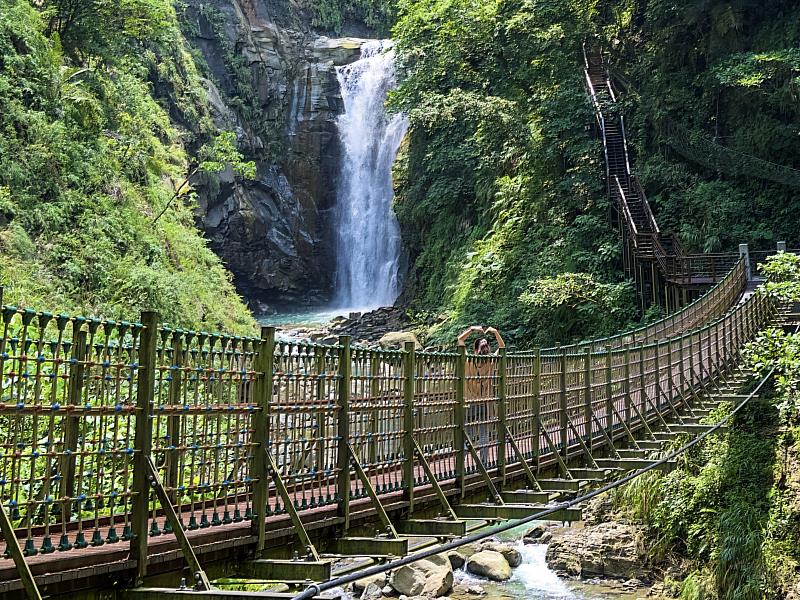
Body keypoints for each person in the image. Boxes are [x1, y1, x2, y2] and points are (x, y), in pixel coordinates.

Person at [457, 326, 505, 465]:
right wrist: (495, 332)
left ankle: (460, 463)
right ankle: (483, 463)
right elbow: (502, 348)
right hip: (484, 402)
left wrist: (472, 329)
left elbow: (460, 340)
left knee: (469, 435)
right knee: (484, 434)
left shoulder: (468, 360)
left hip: (470, 402)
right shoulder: (490, 360)